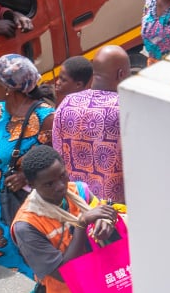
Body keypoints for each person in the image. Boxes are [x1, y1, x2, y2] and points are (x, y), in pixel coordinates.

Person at [0, 54, 57, 279]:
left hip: (30, 203)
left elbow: (56, 159)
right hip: (2, 196)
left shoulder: (44, 117)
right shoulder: (3, 107)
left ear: (8, 88)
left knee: (40, 254)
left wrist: (25, 175)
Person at [10, 145, 119, 293]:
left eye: (62, 176)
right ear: (32, 185)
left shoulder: (80, 191)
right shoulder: (27, 226)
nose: (61, 186)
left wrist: (107, 222)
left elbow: (109, 218)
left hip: (105, 279)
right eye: (49, 184)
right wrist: (81, 225)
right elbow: (63, 274)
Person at [50, 44, 128, 203]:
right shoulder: (124, 108)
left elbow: (57, 152)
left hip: (78, 202)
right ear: (121, 74)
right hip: (114, 210)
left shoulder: (67, 103)